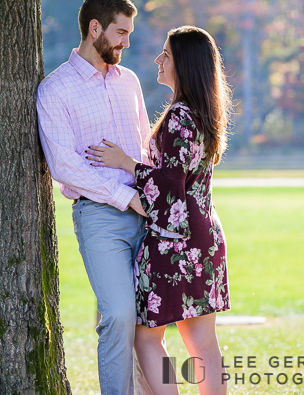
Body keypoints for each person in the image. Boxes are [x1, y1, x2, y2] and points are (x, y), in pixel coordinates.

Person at [85, 25, 232, 395]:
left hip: (175, 243)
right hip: (206, 238)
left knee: (145, 338)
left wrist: (126, 163)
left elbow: (169, 189)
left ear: (183, 63)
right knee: (203, 343)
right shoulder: (204, 113)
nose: (158, 60)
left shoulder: (179, 118)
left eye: (165, 54)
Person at [37, 0, 150, 395]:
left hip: (147, 212)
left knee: (152, 320)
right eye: (121, 32)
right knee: (118, 314)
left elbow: (143, 146)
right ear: (95, 27)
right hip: (100, 216)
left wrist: (150, 194)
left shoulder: (129, 82)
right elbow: (65, 166)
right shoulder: (55, 89)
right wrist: (125, 198)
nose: (126, 43)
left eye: (129, 34)